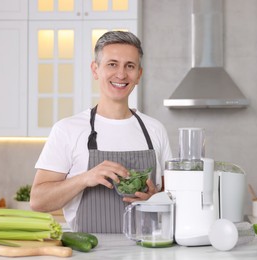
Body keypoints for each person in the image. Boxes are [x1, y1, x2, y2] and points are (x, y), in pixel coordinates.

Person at [30, 31, 172, 234]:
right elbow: (38, 200)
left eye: (129, 66)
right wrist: (84, 179)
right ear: (95, 70)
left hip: (147, 250)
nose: (121, 74)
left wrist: (155, 199)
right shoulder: (67, 130)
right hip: (89, 251)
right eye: (112, 64)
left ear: (139, 75)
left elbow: (175, 196)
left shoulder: (155, 130)